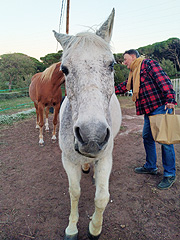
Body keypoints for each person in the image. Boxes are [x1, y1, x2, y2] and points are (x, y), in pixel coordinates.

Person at [115, 49, 177, 190]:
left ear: (132, 56)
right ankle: (150, 166)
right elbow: (126, 86)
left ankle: (169, 174)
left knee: (165, 140)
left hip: (160, 107)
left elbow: (164, 80)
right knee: (147, 137)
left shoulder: (148, 64)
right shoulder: (134, 73)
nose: (124, 63)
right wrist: (110, 90)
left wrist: (170, 98)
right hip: (149, 111)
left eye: (125, 60)